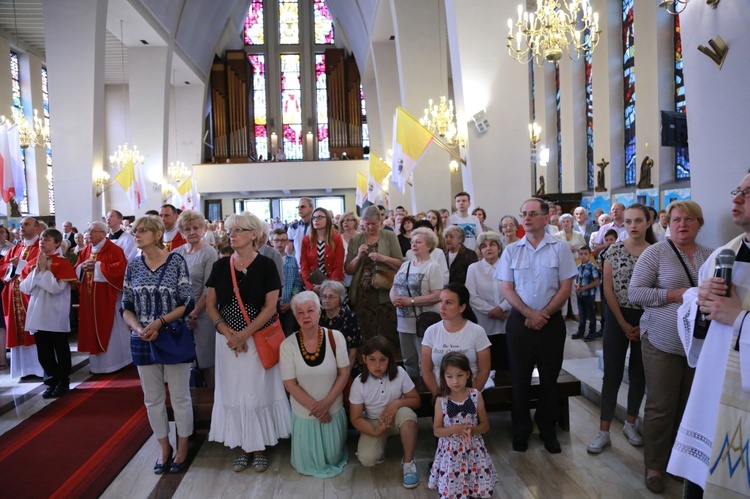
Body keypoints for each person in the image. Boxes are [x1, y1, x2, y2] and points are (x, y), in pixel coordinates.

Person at [668, 174, 750, 496]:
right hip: (716, 392)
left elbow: (731, 317)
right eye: (737, 191)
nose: (736, 199)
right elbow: (700, 324)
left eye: (747, 193)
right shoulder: (722, 257)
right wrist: (701, 305)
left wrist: (739, 319)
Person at [628, 200, 713, 493]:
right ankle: (654, 467)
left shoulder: (711, 255)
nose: (682, 225)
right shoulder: (656, 253)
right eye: (676, 220)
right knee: (661, 406)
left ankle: (676, 463)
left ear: (699, 224)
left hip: (699, 346)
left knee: (688, 406)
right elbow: (635, 293)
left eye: (689, 220)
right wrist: (677, 294)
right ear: (667, 223)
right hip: (662, 341)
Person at [205, 212, 291, 473]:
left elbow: (270, 307)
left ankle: (259, 446)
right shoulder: (220, 266)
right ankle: (243, 445)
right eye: (230, 230)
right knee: (233, 393)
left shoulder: (266, 265)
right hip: (227, 343)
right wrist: (230, 334)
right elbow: (211, 305)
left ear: (254, 235)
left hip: (257, 340)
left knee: (256, 392)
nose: (232, 234)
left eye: (239, 230)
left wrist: (245, 334)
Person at [497, 197, 577, 454]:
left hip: (550, 322)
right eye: (524, 214)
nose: (527, 218)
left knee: (549, 380)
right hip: (520, 322)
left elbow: (566, 287)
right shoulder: (511, 250)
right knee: (519, 379)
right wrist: (529, 313)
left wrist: (543, 313)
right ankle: (521, 431)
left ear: (545, 217)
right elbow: (507, 289)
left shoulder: (560, 248)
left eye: (532, 213)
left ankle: (547, 430)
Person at [121, 216, 195, 474]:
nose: (136, 235)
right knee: (152, 399)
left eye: (142, 231)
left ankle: (183, 446)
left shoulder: (176, 261)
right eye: (134, 232)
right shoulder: (133, 265)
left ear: (156, 233)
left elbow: (187, 302)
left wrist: (160, 323)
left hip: (173, 334)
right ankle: (164, 448)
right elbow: (126, 306)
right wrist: (141, 328)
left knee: (179, 397)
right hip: (142, 339)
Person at [587, 204, 654, 455]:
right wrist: (623, 322)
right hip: (617, 316)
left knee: (639, 373)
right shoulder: (613, 250)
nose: (633, 226)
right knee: (612, 374)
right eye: (628, 221)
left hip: (647, 316)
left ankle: (630, 423)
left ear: (649, 222)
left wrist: (642, 320)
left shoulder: (657, 252)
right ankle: (603, 432)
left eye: (638, 220)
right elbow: (607, 289)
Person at [280, 291, 350, 478]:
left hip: (332, 412)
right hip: (305, 415)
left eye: (310, 310)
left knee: (333, 457)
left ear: (319, 312)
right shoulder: (287, 345)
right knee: (307, 464)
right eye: (300, 313)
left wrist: (326, 404)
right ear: (295, 316)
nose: (306, 316)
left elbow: (344, 373)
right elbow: (290, 384)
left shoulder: (336, 337)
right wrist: (317, 409)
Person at [348, 336, 421, 487]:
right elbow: (355, 417)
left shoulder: (399, 373)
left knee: (409, 417)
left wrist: (396, 403)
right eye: (372, 359)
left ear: (389, 359)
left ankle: (408, 462)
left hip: (397, 417)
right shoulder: (359, 382)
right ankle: (379, 445)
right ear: (364, 359)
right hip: (374, 422)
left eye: (383, 360)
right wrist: (375, 431)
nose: (377, 365)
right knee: (367, 459)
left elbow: (416, 400)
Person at [428, 352, 498, 498]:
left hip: (474, 450)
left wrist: (472, 430)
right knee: (453, 489)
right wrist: (455, 429)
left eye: (459, 375)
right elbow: (436, 431)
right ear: (443, 377)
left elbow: (485, 425)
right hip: (450, 453)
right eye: (450, 376)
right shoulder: (441, 401)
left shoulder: (475, 395)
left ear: (467, 374)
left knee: (478, 487)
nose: (455, 381)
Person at [20, 228, 77, 398]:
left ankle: (63, 381)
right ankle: (51, 381)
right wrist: (37, 271)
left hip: (55, 313)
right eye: (41, 240)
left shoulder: (63, 263)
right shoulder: (33, 262)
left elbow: (56, 289)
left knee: (60, 349)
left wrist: (44, 271)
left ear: (57, 243)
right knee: (44, 352)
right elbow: (24, 287)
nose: (42, 242)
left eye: (47, 240)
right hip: (37, 312)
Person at [75, 221, 132, 374]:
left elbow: (120, 270)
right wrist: (82, 268)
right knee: (92, 327)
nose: (89, 233)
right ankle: (97, 365)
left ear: (103, 233)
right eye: (89, 230)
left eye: (93, 231)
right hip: (90, 298)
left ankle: (117, 362)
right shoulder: (85, 250)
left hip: (108, 298)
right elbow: (77, 269)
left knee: (112, 330)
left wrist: (98, 266)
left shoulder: (114, 250)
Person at [344, 206, 403, 349]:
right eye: (367, 224)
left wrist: (382, 258)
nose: (370, 227)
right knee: (365, 333)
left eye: (374, 224)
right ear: (362, 223)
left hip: (385, 292)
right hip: (363, 295)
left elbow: (400, 264)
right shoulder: (356, 239)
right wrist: (358, 256)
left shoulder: (389, 236)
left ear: (380, 221)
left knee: (387, 332)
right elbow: (348, 269)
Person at [173, 210, 219, 388]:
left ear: (203, 229)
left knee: (207, 359)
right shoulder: (176, 253)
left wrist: (193, 314)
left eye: (195, 227)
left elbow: (209, 289)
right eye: (187, 229)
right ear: (181, 232)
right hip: (179, 313)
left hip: (204, 313)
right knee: (184, 360)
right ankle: (188, 398)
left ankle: (212, 401)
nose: (192, 231)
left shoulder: (209, 253)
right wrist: (180, 313)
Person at [421, 283, 491, 396]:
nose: (442, 307)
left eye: (448, 303)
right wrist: (439, 397)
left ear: (462, 307)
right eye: (440, 301)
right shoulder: (431, 331)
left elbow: (484, 370)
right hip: (442, 395)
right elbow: (426, 370)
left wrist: (469, 397)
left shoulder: (477, 331)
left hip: (470, 394)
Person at [390, 227, 443, 376]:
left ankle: (426, 393)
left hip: (423, 323)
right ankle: (413, 391)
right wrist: (393, 298)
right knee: (408, 361)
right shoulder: (405, 265)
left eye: (418, 242)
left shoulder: (433, 267)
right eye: (412, 242)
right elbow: (394, 286)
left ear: (429, 245)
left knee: (424, 363)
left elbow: (437, 295)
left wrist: (410, 301)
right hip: (403, 323)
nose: (414, 245)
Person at [0, 217, 42, 378]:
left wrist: (21, 265)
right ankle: (23, 370)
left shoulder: (42, 246)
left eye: (26, 224)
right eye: (21, 224)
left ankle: (39, 369)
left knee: (33, 330)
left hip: (30, 295)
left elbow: (42, 266)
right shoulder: (16, 247)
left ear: (36, 228)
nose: (22, 227)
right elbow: (3, 265)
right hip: (13, 296)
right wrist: (12, 265)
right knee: (17, 330)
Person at [466, 231, 511, 371]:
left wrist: (502, 308)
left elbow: (515, 290)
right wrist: (493, 311)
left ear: (499, 248)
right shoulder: (473, 269)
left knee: (508, 363)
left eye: (492, 245)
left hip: (508, 320)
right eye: (484, 246)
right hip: (484, 323)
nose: (488, 248)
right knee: (488, 365)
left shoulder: (508, 266)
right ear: (480, 250)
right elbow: (472, 296)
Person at [318, 280, 361, 370]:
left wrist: (344, 375)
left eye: (331, 297)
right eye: (324, 297)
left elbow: (353, 352)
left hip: (345, 364)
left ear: (340, 299)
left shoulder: (350, 317)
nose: (326, 300)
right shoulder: (317, 316)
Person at [300, 208, 344, 291]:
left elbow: (338, 265)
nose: (316, 220)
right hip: (312, 284)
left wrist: (327, 285)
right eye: (314, 218)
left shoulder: (336, 239)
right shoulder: (306, 240)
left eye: (320, 217)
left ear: (327, 219)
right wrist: (311, 286)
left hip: (333, 284)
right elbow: (304, 265)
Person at [271, 228, 302, 335]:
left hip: (288, 303)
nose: (280, 243)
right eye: (276, 240)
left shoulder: (292, 260)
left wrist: (291, 302)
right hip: (272, 306)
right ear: (271, 242)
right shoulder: (267, 261)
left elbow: (297, 283)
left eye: (283, 240)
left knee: (288, 333)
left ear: (288, 242)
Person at [573, 246, 601, 341]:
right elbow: (576, 279)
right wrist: (577, 285)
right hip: (580, 294)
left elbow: (597, 281)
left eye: (585, 254)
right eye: (581, 254)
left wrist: (584, 288)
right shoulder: (578, 267)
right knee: (582, 314)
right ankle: (581, 331)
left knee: (590, 314)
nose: (583, 256)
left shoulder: (592, 267)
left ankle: (592, 332)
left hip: (589, 295)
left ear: (589, 254)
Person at [288, 197, 314, 265]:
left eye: (303, 206)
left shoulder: (317, 226)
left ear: (311, 208)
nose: (299, 209)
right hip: (298, 265)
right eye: (298, 207)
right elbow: (289, 250)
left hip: (316, 266)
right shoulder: (293, 227)